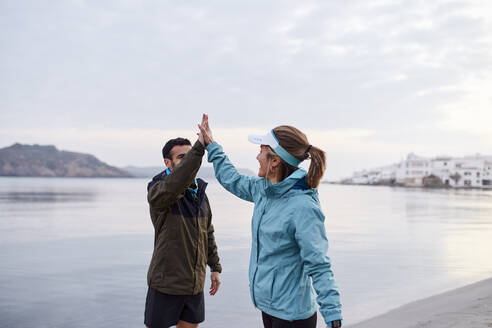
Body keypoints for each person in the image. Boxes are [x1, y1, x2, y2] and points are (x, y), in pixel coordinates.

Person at [197, 114, 342, 328]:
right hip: (269, 307)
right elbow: (233, 179)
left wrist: (333, 314)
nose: (257, 157)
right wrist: (212, 146)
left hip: (293, 316)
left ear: (275, 161)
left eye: (261, 152)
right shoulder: (264, 190)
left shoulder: (303, 207)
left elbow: (318, 264)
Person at [144, 134, 222, 328]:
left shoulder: (201, 195)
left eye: (189, 156)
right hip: (166, 283)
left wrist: (215, 268)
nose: (187, 161)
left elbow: (208, 233)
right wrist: (198, 148)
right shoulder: (158, 190)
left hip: (194, 284)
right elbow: (175, 185)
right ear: (167, 163)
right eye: (181, 157)